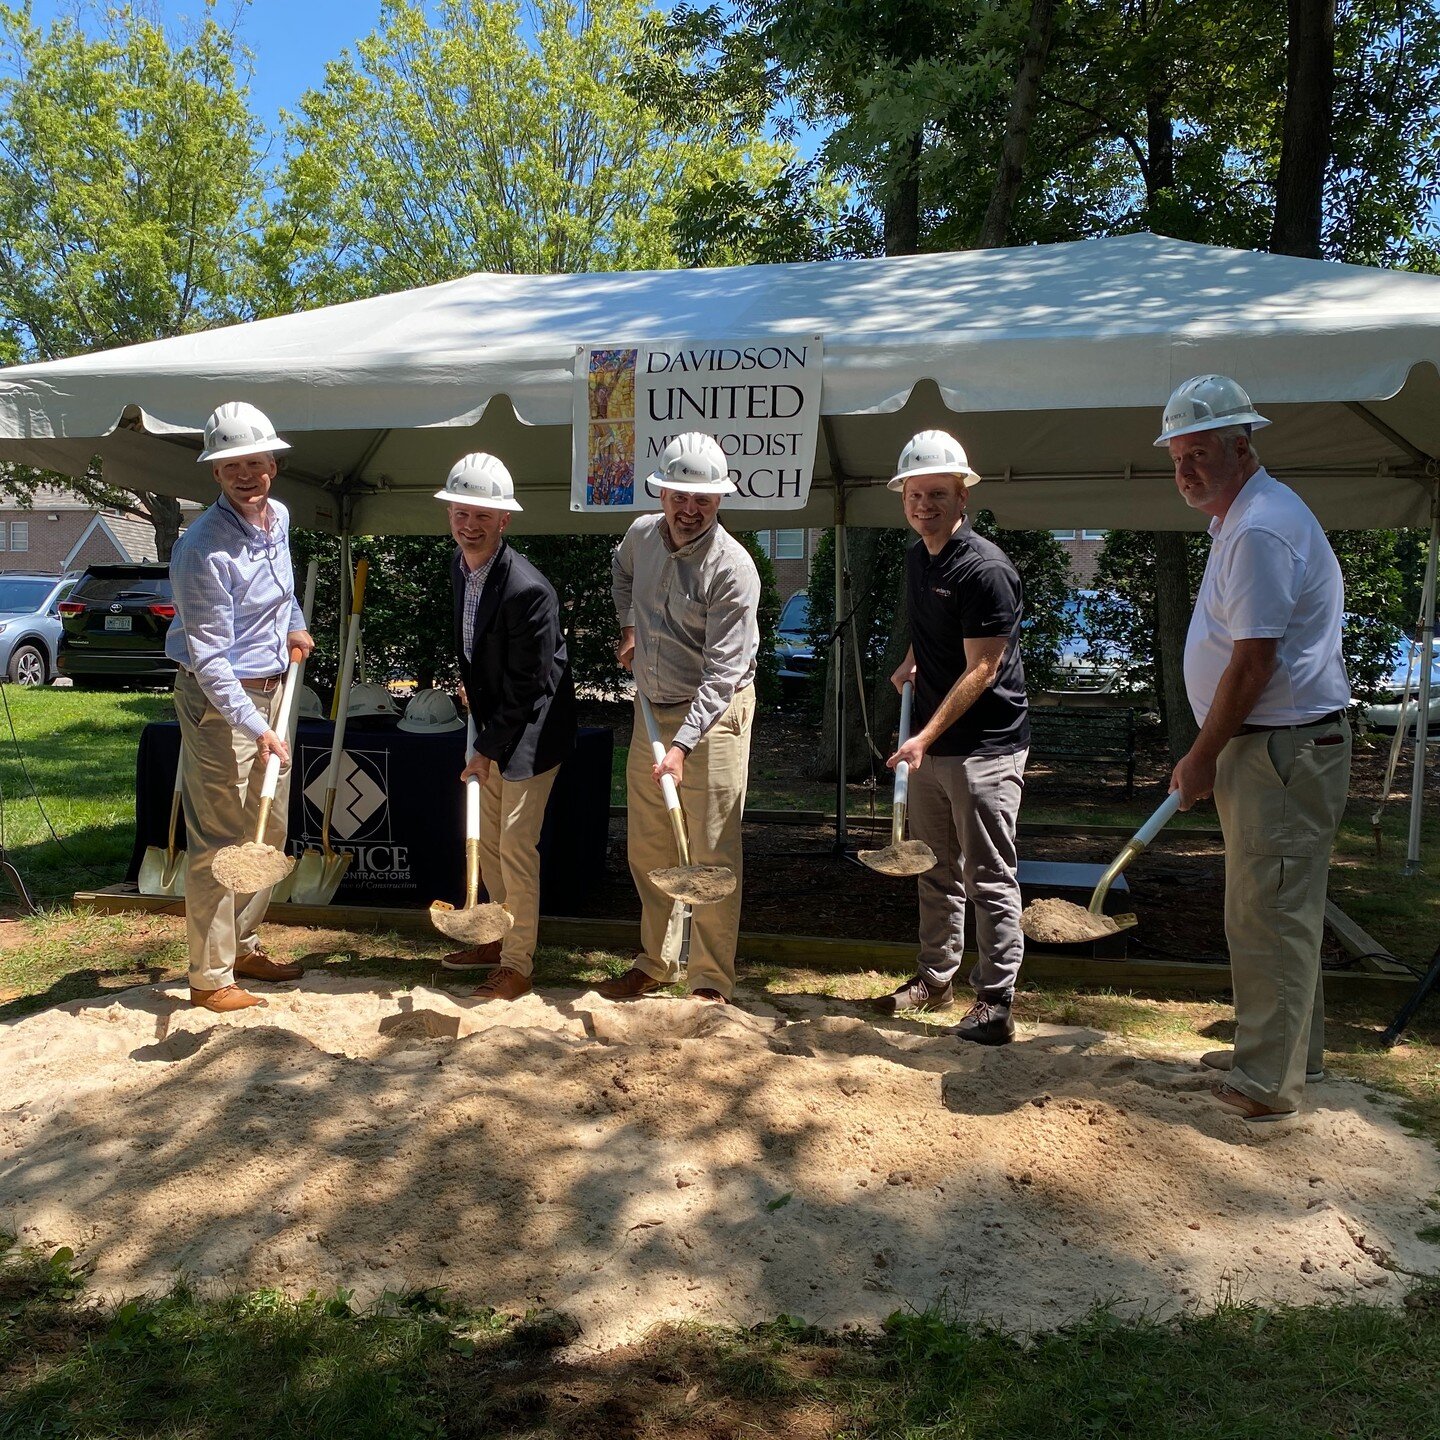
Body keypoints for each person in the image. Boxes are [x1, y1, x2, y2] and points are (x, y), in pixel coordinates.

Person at [1159, 375, 1351, 1124]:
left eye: (1201, 453)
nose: (1187, 470)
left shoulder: (1264, 527)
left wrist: (1203, 752)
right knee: (1279, 909)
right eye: (1178, 457)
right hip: (1274, 746)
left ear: (1244, 447)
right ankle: (1286, 1053)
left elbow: (1253, 662)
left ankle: (1268, 1081)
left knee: (1269, 913)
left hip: (1280, 748)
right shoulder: (1244, 519)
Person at [874, 430, 1029, 1045]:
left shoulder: (985, 568)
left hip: (985, 748)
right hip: (934, 746)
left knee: (987, 874)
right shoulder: (919, 558)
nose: (924, 506)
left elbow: (984, 667)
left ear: (962, 496)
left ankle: (995, 1001)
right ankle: (935, 980)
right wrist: (915, 657)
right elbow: (942, 633)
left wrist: (921, 737)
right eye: (915, 494)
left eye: (938, 494)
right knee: (934, 868)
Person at [601, 431, 760, 1005]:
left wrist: (683, 746)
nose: (690, 511)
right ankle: (657, 962)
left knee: (712, 849)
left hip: (715, 716)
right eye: (680, 497)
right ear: (661, 492)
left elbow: (722, 674)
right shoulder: (640, 536)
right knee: (649, 846)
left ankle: (710, 979)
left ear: (720, 501)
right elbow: (621, 576)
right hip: (652, 708)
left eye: (705, 501)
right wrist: (628, 628)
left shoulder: (733, 569)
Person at [166, 401, 313, 1012]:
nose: (247, 475)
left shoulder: (277, 515)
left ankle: (245, 942)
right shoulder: (201, 547)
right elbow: (210, 657)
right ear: (215, 474)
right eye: (232, 467)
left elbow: (280, 595)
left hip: (274, 687)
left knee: (268, 829)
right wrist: (255, 728)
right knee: (221, 839)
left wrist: (296, 627)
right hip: (220, 701)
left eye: (255, 462)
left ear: (272, 464)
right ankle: (210, 977)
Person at [438, 453, 577, 999]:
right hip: (492, 717)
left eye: (482, 515)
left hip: (533, 730)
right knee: (489, 843)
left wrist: (486, 749)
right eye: (460, 513)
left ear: (504, 521)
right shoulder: (460, 566)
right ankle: (495, 937)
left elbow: (528, 686)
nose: (469, 525)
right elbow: (475, 648)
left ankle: (517, 964)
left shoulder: (528, 590)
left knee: (516, 846)